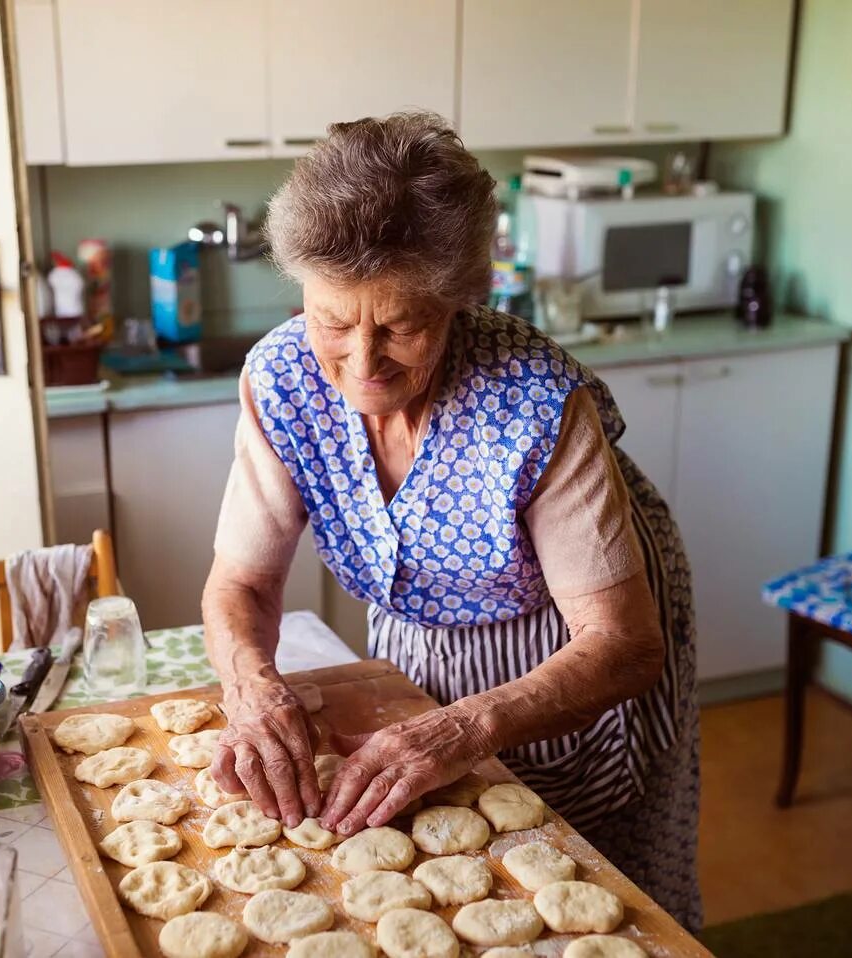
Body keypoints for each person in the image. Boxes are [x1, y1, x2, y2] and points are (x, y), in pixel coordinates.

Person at [201, 112, 701, 929]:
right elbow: (242, 582)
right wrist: (253, 691)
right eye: (332, 320)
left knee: (577, 880)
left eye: (401, 325)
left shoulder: (535, 403)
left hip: (571, 637)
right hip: (419, 631)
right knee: (418, 854)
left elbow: (622, 643)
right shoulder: (283, 381)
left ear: (459, 301)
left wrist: (458, 730)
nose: (362, 363)